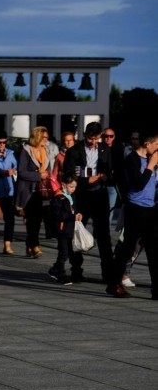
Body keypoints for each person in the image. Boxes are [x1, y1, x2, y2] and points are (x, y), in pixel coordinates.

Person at [105, 132, 158, 299]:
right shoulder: (132, 160)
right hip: (135, 209)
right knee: (127, 248)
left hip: (151, 209)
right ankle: (114, 284)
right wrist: (150, 166)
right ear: (148, 144)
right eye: (156, 144)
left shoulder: (153, 162)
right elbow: (138, 184)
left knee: (154, 250)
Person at [63, 121, 113, 282]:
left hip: (100, 195)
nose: (93, 142)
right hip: (81, 196)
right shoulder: (74, 151)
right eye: (90, 139)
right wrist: (86, 180)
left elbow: (110, 170)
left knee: (104, 235)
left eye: (96, 139)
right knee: (77, 232)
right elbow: (68, 175)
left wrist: (105, 177)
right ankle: (76, 269)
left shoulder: (105, 149)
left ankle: (107, 272)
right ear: (85, 136)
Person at [16, 126, 52, 259]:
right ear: (37, 137)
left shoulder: (46, 151)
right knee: (32, 220)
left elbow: (48, 170)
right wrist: (38, 176)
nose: (46, 140)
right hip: (29, 191)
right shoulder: (26, 150)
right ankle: (34, 245)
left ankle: (30, 244)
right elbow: (21, 172)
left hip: (43, 191)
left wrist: (46, 175)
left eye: (47, 138)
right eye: (43, 138)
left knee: (39, 219)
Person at [47, 174, 81, 285]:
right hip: (61, 229)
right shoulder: (58, 197)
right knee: (63, 253)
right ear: (63, 185)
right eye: (71, 186)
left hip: (69, 229)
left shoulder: (72, 196)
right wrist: (72, 216)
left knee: (69, 252)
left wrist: (77, 214)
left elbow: (72, 210)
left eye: (75, 186)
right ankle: (60, 274)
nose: (73, 189)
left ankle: (54, 269)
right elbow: (58, 215)